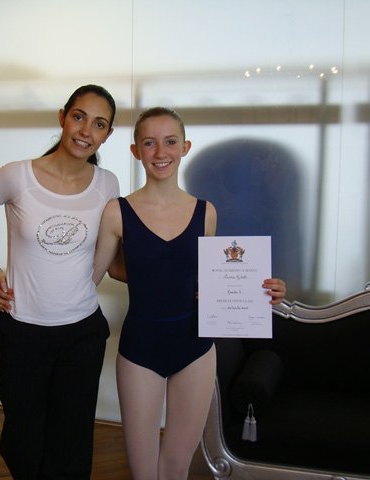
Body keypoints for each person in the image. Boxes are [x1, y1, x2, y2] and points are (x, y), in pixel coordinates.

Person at [92, 107, 286, 480]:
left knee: (177, 467)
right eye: (149, 143)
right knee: (144, 471)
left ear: (185, 147)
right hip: (140, 349)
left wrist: (264, 289)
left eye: (170, 142)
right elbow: (95, 275)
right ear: (136, 151)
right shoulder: (117, 212)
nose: (160, 152)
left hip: (195, 348)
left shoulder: (205, 212)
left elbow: (207, 278)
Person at [0, 84, 119, 479]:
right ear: (62, 117)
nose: (85, 131)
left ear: (107, 134)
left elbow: (105, 253)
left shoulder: (107, 184)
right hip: (22, 332)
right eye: (79, 117)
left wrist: (83, 286)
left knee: (71, 442)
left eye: (99, 124)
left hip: (82, 332)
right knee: (22, 441)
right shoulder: (16, 175)